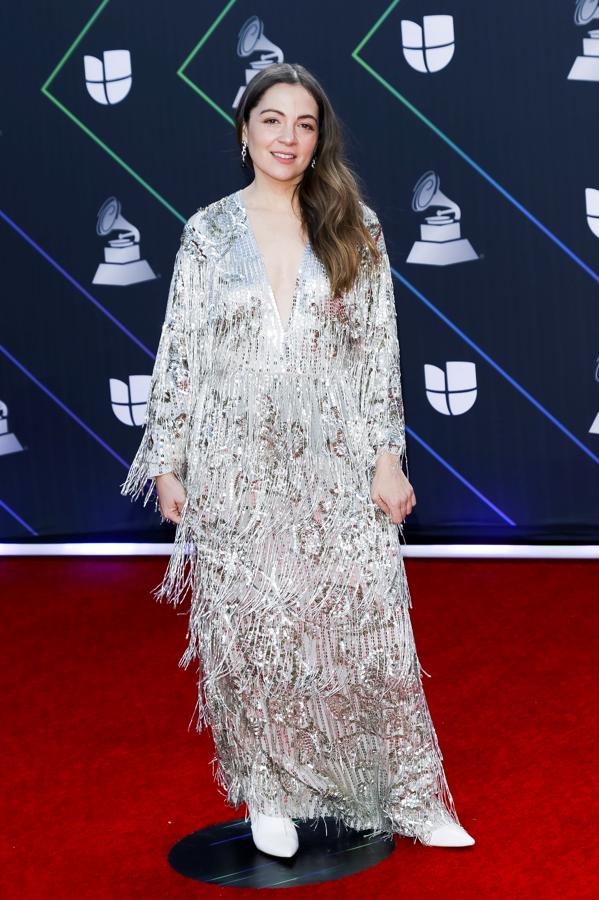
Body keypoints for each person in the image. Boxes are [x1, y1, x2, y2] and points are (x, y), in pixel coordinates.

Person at [120, 62, 475, 858]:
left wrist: (388, 459)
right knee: (252, 630)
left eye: (304, 124)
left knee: (368, 622)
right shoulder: (207, 232)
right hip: (233, 459)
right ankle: (269, 793)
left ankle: (406, 794)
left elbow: (378, 352)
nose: (288, 137)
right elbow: (180, 351)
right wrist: (170, 460)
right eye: (272, 120)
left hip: (338, 453)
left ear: (319, 141)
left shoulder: (358, 225)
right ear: (243, 132)